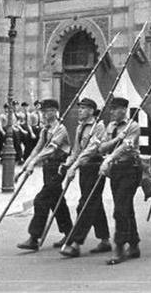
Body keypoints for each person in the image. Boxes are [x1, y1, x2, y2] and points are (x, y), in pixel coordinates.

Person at [16, 99, 73, 251]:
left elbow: (50, 150)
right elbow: (36, 149)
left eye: (47, 112)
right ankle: (69, 233)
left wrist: (34, 163)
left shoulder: (60, 129)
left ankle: (34, 238)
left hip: (58, 167)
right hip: (48, 168)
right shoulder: (45, 130)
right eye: (43, 112)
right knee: (56, 201)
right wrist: (24, 167)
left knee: (41, 200)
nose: (44, 115)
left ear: (54, 112)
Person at [59, 98, 111, 258]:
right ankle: (105, 240)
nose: (79, 111)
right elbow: (76, 150)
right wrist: (68, 163)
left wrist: (74, 166)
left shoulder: (99, 127)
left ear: (90, 110)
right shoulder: (80, 127)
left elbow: (90, 150)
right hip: (84, 169)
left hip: (95, 167)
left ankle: (75, 243)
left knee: (85, 204)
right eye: (79, 108)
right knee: (94, 203)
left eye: (83, 108)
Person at [97, 97, 142, 265]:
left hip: (130, 169)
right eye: (111, 109)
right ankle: (134, 243)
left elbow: (126, 147)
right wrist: (116, 139)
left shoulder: (133, 127)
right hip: (115, 171)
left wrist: (109, 158)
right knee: (126, 207)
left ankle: (120, 247)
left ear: (124, 110)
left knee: (120, 209)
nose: (112, 112)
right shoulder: (110, 127)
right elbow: (102, 147)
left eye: (115, 109)